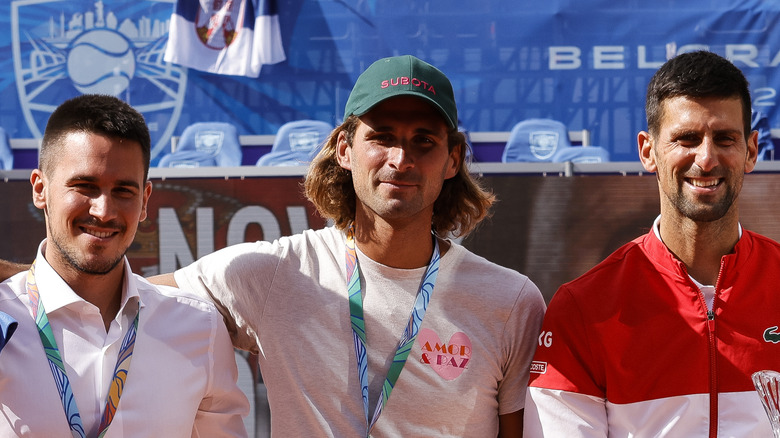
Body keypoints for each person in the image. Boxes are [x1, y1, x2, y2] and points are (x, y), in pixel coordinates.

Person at [151, 55, 546, 437]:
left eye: (423, 141)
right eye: (382, 137)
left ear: (453, 159)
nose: (401, 158)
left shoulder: (511, 302)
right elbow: (135, 301)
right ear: (345, 149)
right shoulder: (275, 273)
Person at [524, 50, 779, 436]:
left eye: (725, 138)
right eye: (687, 139)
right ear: (648, 151)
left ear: (751, 151)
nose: (706, 158)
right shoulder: (583, 309)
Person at [0, 94, 249, 437]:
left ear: (145, 200)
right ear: (40, 189)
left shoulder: (199, 328)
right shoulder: (4, 317)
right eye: (84, 186)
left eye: (123, 191)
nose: (104, 211)